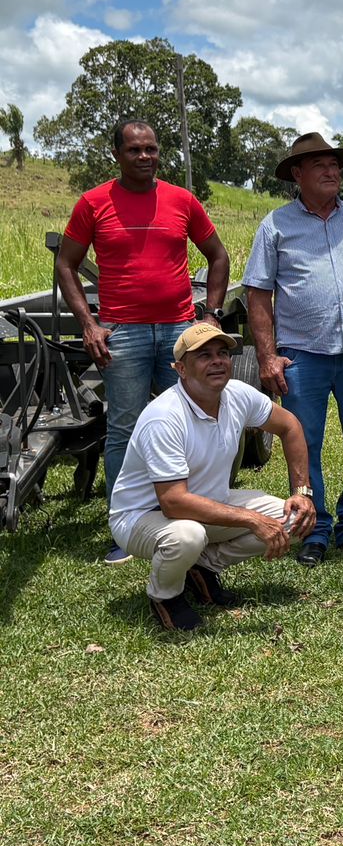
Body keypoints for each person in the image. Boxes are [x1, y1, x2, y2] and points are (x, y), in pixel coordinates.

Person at [56, 119, 229, 565]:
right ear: (117, 154)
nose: (145, 157)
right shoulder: (94, 203)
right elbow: (66, 264)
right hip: (123, 332)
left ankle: (197, 517)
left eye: (151, 149)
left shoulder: (181, 200)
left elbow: (217, 255)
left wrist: (211, 315)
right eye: (134, 150)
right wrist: (89, 324)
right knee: (125, 429)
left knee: (192, 421)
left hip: (178, 330)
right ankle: (127, 528)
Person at [108, 324, 316, 631]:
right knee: (187, 536)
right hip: (141, 517)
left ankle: (204, 567)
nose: (217, 361)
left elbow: (290, 426)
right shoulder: (164, 417)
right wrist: (252, 520)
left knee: (294, 519)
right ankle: (166, 596)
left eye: (222, 353)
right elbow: (173, 502)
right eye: (204, 355)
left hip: (205, 503)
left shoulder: (237, 394)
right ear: (181, 369)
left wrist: (301, 492)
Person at [244, 132, 343, 566]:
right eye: (320, 165)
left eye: (335, 165)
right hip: (301, 356)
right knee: (304, 444)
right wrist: (267, 357)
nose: (331, 172)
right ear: (297, 174)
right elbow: (258, 294)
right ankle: (314, 528)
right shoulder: (276, 225)